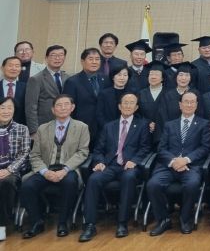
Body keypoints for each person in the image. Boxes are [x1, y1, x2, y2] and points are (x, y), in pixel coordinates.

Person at [79, 93, 152, 241]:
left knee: (129, 177)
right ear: (119, 106)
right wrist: (99, 162)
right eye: (125, 102)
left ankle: (122, 223)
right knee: (93, 179)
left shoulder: (142, 125)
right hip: (109, 165)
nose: (128, 105)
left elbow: (145, 148)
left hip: (129, 166)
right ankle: (90, 225)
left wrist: (134, 161)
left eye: (132, 103)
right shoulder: (109, 126)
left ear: (136, 107)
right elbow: (98, 149)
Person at [20, 94, 90, 239]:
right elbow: (35, 155)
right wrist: (45, 172)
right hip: (46, 169)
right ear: (53, 110)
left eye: (66, 104)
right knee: (27, 186)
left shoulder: (82, 127)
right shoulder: (43, 128)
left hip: (68, 170)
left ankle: (63, 223)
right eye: (59, 105)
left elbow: (83, 152)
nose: (63, 108)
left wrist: (65, 170)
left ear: (72, 107)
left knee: (69, 183)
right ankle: (37, 222)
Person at [146, 92, 210, 236]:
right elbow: (161, 148)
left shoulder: (203, 124)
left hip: (191, 166)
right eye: (186, 102)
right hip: (168, 166)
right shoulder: (169, 125)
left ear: (196, 105)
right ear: (180, 105)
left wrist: (185, 160)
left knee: (192, 184)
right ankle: (163, 220)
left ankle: (185, 219)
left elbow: (205, 148)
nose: (189, 104)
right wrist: (174, 161)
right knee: (153, 184)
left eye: (192, 102)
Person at [0, 96, 31, 242]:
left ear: (14, 110)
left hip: (13, 170)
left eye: (9, 108)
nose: (6, 111)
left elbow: (25, 153)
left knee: (6, 183)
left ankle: (1, 225)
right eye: (2, 108)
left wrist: (9, 170)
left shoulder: (22, 129)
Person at [63, 47, 109, 141]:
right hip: (81, 129)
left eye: (97, 59)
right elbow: (68, 108)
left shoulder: (106, 79)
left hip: (102, 129)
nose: (94, 62)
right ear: (82, 61)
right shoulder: (72, 82)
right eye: (90, 59)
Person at [24, 45, 69, 137]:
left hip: (65, 125)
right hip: (44, 126)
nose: (57, 58)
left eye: (61, 55)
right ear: (46, 58)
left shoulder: (68, 78)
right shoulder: (36, 79)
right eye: (53, 55)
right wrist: (34, 130)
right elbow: (31, 107)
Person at [157, 62, 201, 130]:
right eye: (181, 75)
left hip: (192, 132)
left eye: (187, 75)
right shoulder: (167, 95)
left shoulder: (196, 94)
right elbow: (163, 116)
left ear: (191, 78)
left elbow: (200, 115)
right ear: (176, 77)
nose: (183, 78)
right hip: (171, 131)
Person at [137, 61, 168, 145]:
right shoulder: (141, 93)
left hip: (163, 134)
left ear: (162, 78)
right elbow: (137, 113)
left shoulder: (169, 94)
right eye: (151, 74)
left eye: (157, 74)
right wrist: (148, 123)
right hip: (144, 133)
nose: (153, 77)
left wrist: (158, 125)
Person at [2, 56, 27, 124]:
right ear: (2, 68)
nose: (14, 68)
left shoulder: (27, 87)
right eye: (10, 65)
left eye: (17, 66)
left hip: (20, 126)